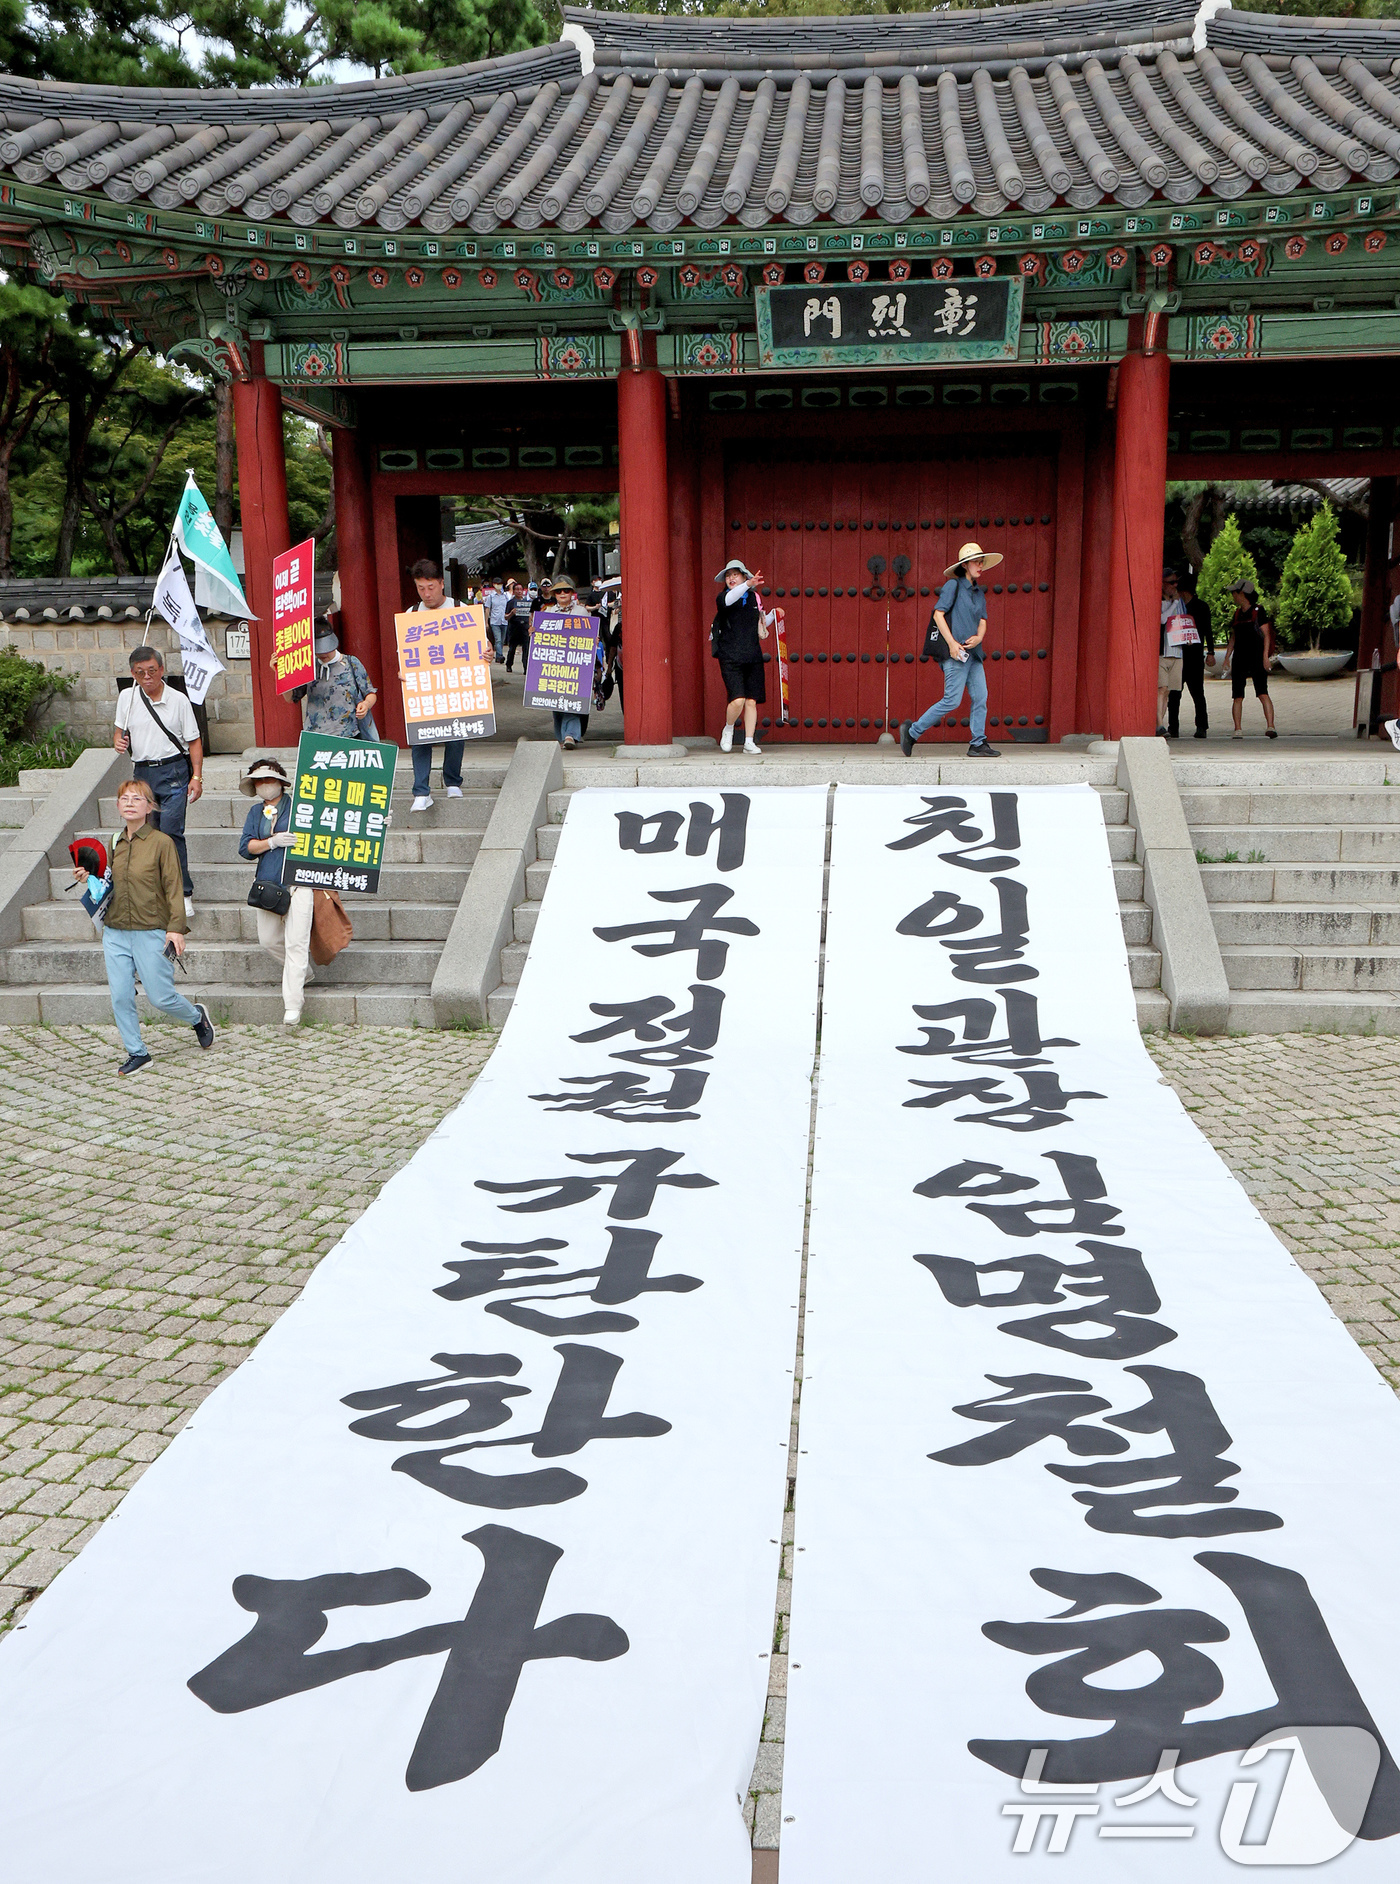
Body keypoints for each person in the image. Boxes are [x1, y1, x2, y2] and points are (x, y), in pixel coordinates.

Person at [87, 774, 214, 1074]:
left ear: (150, 807)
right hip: (115, 930)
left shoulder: (161, 843)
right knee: (120, 995)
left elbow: (174, 887)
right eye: (124, 799)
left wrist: (175, 929)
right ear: (117, 806)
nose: (130, 804)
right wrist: (88, 877)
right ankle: (137, 1052)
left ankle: (196, 1017)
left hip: (151, 930)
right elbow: (106, 883)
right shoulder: (113, 842)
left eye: (137, 799)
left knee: (160, 996)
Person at [113, 645, 202, 917]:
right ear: (132, 674)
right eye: (140, 673)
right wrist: (118, 741)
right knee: (146, 834)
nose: (147, 677)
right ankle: (153, 891)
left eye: (152, 671)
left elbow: (194, 740)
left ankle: (183, 893)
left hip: (174, 771)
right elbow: (118, 732)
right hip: (143, 773)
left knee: (172, 833)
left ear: (161, 670)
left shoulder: (178, 700)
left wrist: (197, 776)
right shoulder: (127, 698)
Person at [900, 541, 1002, 758]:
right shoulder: (953, 586)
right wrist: (952, 644)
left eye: (981, 562)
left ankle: (977, 743)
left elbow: (983, 620)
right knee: (952, 700)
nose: (980, 565)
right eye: (976, 562)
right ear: (965, 565)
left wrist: (980, 637)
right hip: (956, 655)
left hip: (973, 654)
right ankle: (912, 732)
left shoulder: (978, 593)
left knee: (981, 696)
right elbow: (938, 614)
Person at [237, 756, 314, 1027]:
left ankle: (293, 1004)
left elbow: (332, 826)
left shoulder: (302, 807)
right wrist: (271, 842)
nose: (264, 785)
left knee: (297, 942)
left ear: (281, 783)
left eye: (269, 779)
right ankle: (301, 973)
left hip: (300, 880)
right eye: (258, 781)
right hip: (269, 883)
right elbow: (245, 847)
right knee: (268, 940)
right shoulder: (255, 813)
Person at [405, 557, 465, 811]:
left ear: (441, 584)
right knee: (420, 737)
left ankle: (452, 780)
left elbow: (479, 645)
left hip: (454, 682)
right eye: (421, 588)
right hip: (422, 685)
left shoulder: (459, 608)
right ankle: (421, 790)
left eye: (431, 587)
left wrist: (486, 653)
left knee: (457, 732)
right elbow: (405, 653)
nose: (426, 594)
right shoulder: (411, 614)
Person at [711, 558, 769, 755]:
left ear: (744, 575)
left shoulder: (755, 599)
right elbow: (731, 599)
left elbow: (760, 624)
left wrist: (774, 616)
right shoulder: (724, 598)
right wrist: (747, 584)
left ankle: (749, 741)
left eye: (735, 574)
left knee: (751, 701)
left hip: (752, 653)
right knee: (738, 700)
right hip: (730, 654)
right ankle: (728, 728)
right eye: (728, 575)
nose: (731, 578)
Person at [286, 620, 378, 740]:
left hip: (348, 734)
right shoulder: (308, 667)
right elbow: (291, 697)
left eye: (326, 649)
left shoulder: (351, 663)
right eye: (318, 650)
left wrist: (365, 704)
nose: (322, 653)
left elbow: (370, 693)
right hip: (316, 735)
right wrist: (280, 674)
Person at [536, 573, 593, 748]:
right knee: (557, 704)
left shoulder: (581, 612)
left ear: (572, 593)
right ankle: (563, 736)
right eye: (559, 591)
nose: (562, 594)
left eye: (566, 591)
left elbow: (589, 634)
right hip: (554, 664)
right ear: (554, 593)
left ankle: (571, 735)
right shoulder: (548, 612)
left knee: (572, 700)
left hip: (575, 664)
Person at [1224, 578, 1278, 739]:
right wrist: (1227, 657)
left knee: (1262, 692)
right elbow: (1233, 637)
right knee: (1237, 696)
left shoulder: (1258, 611)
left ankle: (1271, 726)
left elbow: (1266, 635)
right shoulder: (1237, 613)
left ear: (1242, 593)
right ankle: (1238, 729)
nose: (1233, 595)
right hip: (1240, 657)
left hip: (1256, 656)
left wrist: (1265, 657)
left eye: (1235, 592)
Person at [1168, 575, 1213, 740]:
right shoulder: (1175, 607)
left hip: (1194, 655)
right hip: (1178, 654)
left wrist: (1211, 652)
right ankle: (1173, 727)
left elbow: (1208, 631)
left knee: (1197, 692)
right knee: (1174, 693)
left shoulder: (1201, 607)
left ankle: (1201, 726)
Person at [1158, 566, 1193, 738]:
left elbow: (1183, 621)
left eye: (1176, 582)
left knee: (1169, 691)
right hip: (1162, 651)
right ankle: (1159, 724)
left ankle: (1161, 723)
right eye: (1171, 582)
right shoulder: (1162, 602)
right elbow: (1164, 619)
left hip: (1177, 651)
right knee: (1161, 688)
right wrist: (1173, 603)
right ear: (1162, 584)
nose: (1175, 585)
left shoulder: (1180, 603)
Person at [505, 579, 533, 672]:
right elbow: (505, 617)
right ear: (513, 591)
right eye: (517, 589)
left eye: (520, 589)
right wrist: (511, 613)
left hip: (524, 627)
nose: (519, 591)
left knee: (526, 648)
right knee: (512, 648)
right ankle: (509, 665)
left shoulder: (527, 602)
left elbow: (530, 615)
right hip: (514, 627)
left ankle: (526, 667)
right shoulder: (511, 602)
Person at [484, 579, 509, 663]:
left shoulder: (505, 596)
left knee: (502, 640)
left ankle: (498, 655)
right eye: (497, 584)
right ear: (494, 585)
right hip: (495, 621)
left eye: (500, 584)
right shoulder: (491, 597)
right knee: (498, 639)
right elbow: (487, 609)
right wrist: (486, 622)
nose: (499, 585)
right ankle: (500, 656)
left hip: (504, 621)